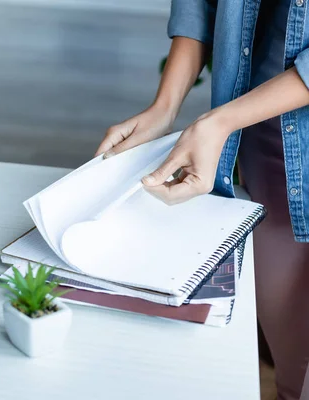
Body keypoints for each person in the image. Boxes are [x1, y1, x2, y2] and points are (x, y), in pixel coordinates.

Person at [95, 1, 309, 399]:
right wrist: (165, 107)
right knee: (292, 377)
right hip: (265, 142)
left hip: (247, 121)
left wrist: (219, 122)